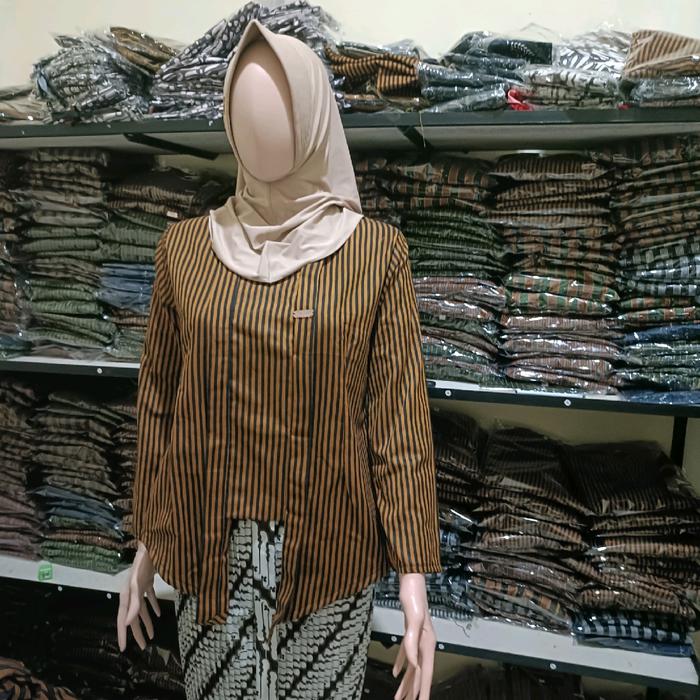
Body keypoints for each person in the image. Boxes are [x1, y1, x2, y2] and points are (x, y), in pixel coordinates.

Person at [117, 19, 441, 700]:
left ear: (315, 116)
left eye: (279, 108)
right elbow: (159, 406)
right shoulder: (185, 251)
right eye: (244, 110)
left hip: (328, 560)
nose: (259, 127)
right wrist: (147, 545)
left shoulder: (375, 255)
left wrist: (415, 583)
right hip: (207, 558)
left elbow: (399, 424)